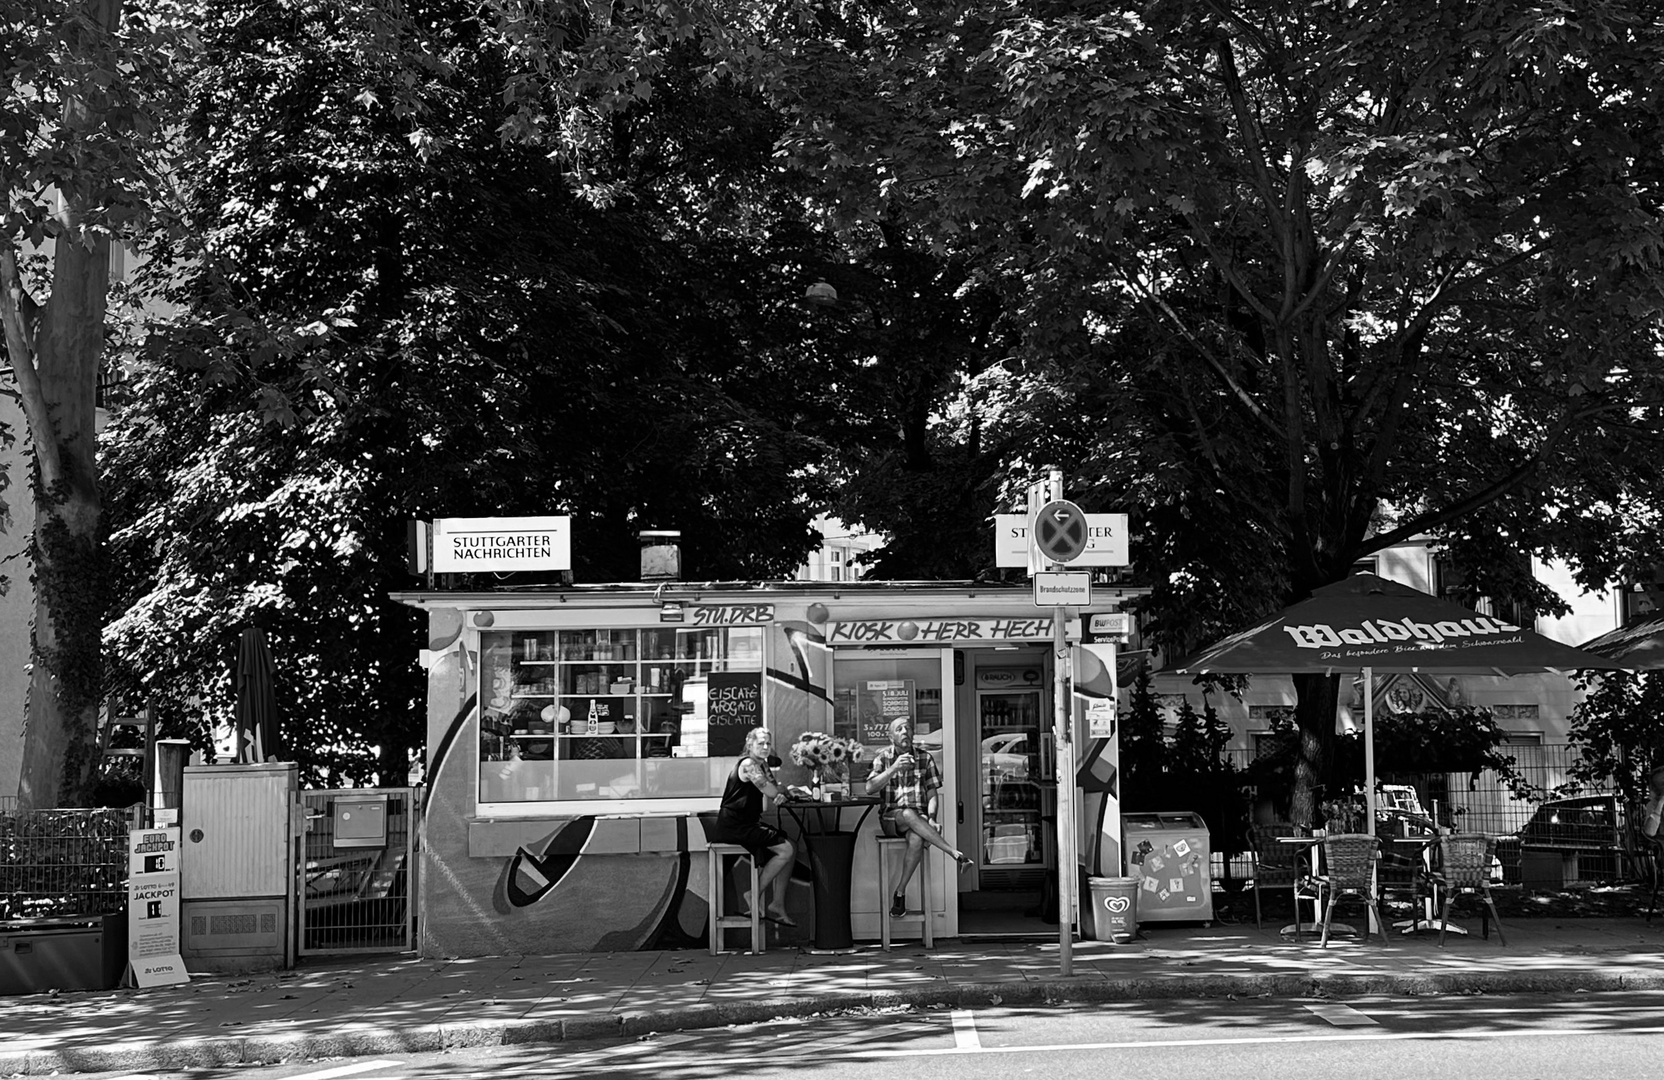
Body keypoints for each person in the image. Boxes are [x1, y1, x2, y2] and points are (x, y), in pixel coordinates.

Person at [866, 716, 973, 919]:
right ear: (891, 737)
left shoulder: (925, 758)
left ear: (913, 734)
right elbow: (870, 788)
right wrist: (894, 768)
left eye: (908, 728)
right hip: (891, 818)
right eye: (899, 729)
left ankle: (900, 894)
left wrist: (932, 818)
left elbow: (932, 793)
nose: (905, 731)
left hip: (919, 819)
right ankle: (954, 853)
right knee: (907, 813)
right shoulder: (883, 758)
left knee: (916, 838)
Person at [709, 727, 798, 929]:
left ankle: (777, 903)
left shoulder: (761, 764)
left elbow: (775, 790)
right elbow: (770, 790)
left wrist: (784, 792)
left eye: (768, 743)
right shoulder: (749, 764)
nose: (766, 747)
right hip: (734, 825)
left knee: (791, 846)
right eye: (761, 743)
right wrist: (778, 792)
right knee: (785, 849)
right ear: (750, 744)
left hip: (748, 823)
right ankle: (753, 893)